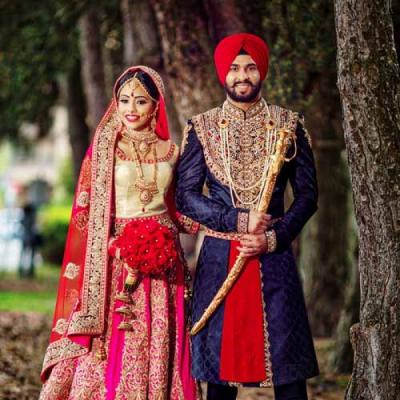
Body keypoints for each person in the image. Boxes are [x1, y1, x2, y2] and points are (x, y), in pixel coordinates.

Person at [40, 66, 199, 400]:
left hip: (164, 262)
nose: (131, 108)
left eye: (140, 101)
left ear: (156, 105)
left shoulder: (172, 151)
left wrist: (213, 224)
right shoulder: (104, 150)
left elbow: (175, 208)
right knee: (117, 336)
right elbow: (86, 212)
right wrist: (116, 246)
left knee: (159, 334)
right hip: (114, 261)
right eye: (124, 100)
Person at [176, 33, 319, 400]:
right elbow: (185, 197)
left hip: (274, 258)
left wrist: (272, 238)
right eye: (234, 68)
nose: (242, 76)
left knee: (288, 371)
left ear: (262, 71)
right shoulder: (201, 128)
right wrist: (238, 221)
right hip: (220, 260)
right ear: (223, 74)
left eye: (251, 67)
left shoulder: (289, 125)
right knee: (219, 378)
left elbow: (307, 196)